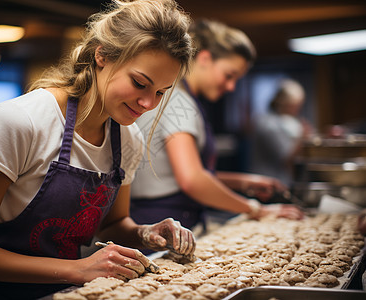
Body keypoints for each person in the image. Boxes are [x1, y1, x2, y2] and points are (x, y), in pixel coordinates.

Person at [0, 1, 195, 299]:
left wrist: (144, 233)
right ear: (102, 55)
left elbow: (113, 224)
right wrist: (78, 269)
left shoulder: (128, 138)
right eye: (140, 83)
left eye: (160, 93)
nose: (148, 104)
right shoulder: (22, 121)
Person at [130, 19, 304, 232]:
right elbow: (191, 179)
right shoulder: (180, 103)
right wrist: (256, 209)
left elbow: (174, 172)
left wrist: (244, 182)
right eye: (229, 75)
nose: (231, 87)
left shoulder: (175, 96)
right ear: (205, 58)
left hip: (159, 215)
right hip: (163, 220)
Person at [250, 79, 313, 186]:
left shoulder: (283, 122)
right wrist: (302, 138)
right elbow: (286, 159)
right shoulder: (269, 125)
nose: (298, 111)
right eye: (295, 106)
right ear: (285, 104)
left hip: (277, 182)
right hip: (267, 185)